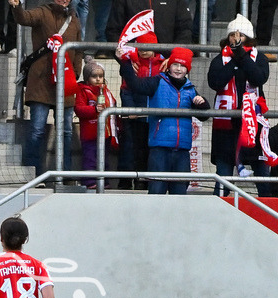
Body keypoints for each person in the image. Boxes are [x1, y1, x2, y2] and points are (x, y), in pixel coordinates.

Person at [119, 45, 208, 195]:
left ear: (188, 69)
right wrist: (125, 62)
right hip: (159, 148)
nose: (178, 69)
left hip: (182, 150)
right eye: (175, 64)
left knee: (179, 194)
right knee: (156, 191)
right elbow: (134, 84)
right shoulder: (157, 82)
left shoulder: (190, 89)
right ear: (169, 66)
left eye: (182, 66)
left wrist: (203, 103)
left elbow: (204, 115)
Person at [10, 0, 83, 178]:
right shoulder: (42, 12)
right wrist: (16, 6)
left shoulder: (74, 19)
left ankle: (64, 175)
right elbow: (24, 18)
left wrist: (75, 72)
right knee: (37, 130)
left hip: (66, 83)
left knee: (66, 131)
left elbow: (79, 50)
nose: (64, 0)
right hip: (41, 83)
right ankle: (33, 175)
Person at [207, 16, 271, 196]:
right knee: (223, 177)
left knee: (262, 177)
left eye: (241, 35)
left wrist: (241, 56)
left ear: (248, 38)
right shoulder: (220, 59)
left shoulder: (259, 58)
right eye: (233, 36)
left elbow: (258, 78)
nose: (236, 39)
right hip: (226, 128)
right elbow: (216, 82)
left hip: (252, 126)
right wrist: (235, 59)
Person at [117, 32, 163, 191]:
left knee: (147, 149)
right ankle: (124, 180)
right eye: (140, 47)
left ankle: (143, 180)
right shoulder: (131, 63)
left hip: (153, 116)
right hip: (134, 115)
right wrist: (130, 108)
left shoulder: (163, 64)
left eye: (147, 47)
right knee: (129, 148)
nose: (143, 51)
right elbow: (126, 89)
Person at [74, 56, 118, 189]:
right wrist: (94, 109)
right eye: (94, 76)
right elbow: (79, 109)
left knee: (104, 158)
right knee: (90, 158)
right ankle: (89, 181)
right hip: (90, 133)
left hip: (105, 133)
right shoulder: (83, 91)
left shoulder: (106, 91)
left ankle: (103, 180)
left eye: (101, 76)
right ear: (87, 78)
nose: (98, 79)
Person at [107, 0, 192, 44]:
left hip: (169, 67)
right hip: (133, 68)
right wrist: (127, 59)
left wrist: (175, 58)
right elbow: (113, 31)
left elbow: (185, 29)